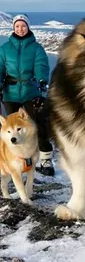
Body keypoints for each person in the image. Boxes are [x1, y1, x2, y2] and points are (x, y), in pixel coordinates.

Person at [0, 14, 55, 176]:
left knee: (38, 124)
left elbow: (41, 66)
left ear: (28, 27)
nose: (20, 29)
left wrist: (42, 81)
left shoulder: (37, 48)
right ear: (13, 28)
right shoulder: (4, 49)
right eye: (17, 26)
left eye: (23, 26)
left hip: (31, 92)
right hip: (10, 93)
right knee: (11, 130)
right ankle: (14, 160)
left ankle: (45, 160)